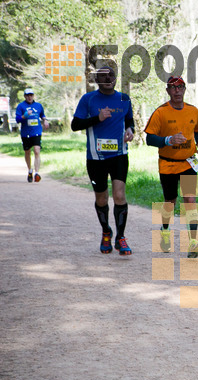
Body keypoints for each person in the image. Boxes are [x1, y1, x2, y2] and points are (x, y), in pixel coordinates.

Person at [71, 66, 135, 255]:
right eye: (103, 77)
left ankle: (120, 237)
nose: (108, 79)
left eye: (111, 76)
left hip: (119, 155)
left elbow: (129, 120)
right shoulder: (88, 99)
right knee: (101, 198)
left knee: (119, 196)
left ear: (116, 78)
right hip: (95, 158)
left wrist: (130, 130)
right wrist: (96, 118)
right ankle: (106, 231)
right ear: (96, 80)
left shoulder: (124, 98)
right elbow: (75, 125)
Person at [144, 76, 198, 258]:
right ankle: (165, 232)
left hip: (188, 163)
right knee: (170, 202)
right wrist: (168, 140)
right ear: (168, 91)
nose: (177, 91)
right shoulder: (161, 112)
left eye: (180, 87)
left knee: (190, 200)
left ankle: (193, 242)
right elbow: (149, 139)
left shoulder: (193, 111)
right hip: (168, 164)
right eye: (173, 87)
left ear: (185, 89)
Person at [15, 88, 49, 182]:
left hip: (36, 131)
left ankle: (37, 173)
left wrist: (45, 120)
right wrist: (24, 116)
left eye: (31, 95)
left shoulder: (38, 105)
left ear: (33, 96)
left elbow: (42, 115)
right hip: (26, 133)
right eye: (28, 95)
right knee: (27, 152)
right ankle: (30, 170)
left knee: (37, 150)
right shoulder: (21, 106)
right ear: (25, 96)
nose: (29, 97)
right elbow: (17, 119)